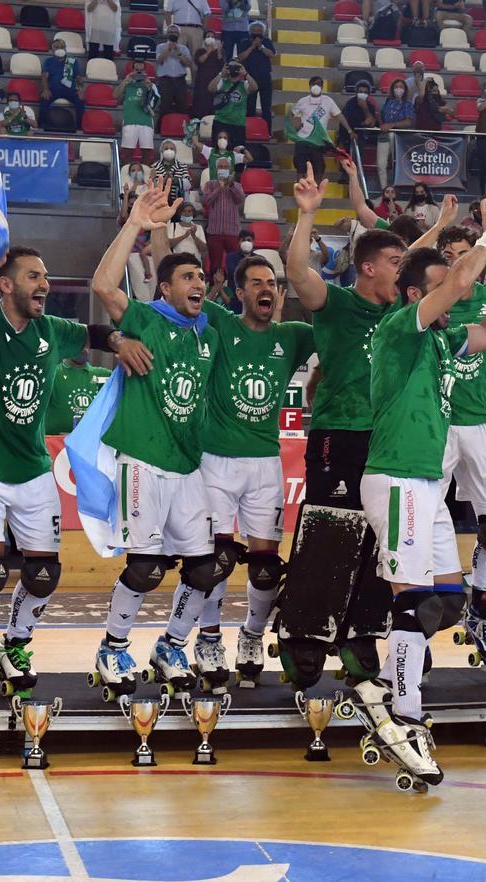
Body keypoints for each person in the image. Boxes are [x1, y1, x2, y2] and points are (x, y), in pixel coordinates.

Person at [355, 206, 486, 786]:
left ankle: (383, 683)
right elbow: (459, 283)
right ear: (412, 295)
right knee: (408, 598)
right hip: (398, 475)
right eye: (437, 291)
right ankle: (404, 715)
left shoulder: (447, 338)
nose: (451, 300)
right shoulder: (401, 330)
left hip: (426, 481)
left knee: (442, 602)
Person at [0, 242, 148, 705]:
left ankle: (14, 644)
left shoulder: (50, 330)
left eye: (46, 276)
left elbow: (93, 333)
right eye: (34, 276)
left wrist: (118, 341)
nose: (45, 284)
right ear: (7, 284)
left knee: (43, 572)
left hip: (32, 463)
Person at [82, 182, 222, 696]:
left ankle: (171, 644)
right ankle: (113, 647)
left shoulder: (208, 332)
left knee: (205, 569)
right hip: (141, 461)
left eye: (202, 276)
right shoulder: (146, 319)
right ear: (164, 289)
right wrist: (138, 223)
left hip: (188, 467)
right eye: (187, 277)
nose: (198, 283)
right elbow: (102, 285)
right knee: (145, 567)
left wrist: (165, 230)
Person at [152, 251, 315, 689]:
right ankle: (207, 641)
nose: (267, 289)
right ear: (240, 293)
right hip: (216, 461)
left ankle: (252, 636)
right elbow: (175, 295)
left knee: (265, 566)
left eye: (273, 283)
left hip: (264, 462)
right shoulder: (222, 324)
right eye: (257, 283)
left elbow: (342, 339)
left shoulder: (295, 335)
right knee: (215, 561)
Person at [280, 163, 409, 687]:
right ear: (369, 269)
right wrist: (307, 216)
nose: (404, 272)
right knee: (329, 532)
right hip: (338, 433)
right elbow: (296, 274)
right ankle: (305, 637)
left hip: (388, 441)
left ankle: (361, 634)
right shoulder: (335, 305)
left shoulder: (403, 316)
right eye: (396, 263)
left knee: (381, 539)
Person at [287, 76, 350, 183]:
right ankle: (300, 192)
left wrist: (349, 130)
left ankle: (316, 193)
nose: (316, 86)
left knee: (319, 168)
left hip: (318, 141)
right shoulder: (303, 101)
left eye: (319, 84)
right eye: (314, 84)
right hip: (303, 139)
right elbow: (290, 114)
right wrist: (295, 126)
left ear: (322, 87)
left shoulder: (328, 101)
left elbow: (339, 116)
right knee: (300, 168)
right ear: (310, 86)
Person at [44, 350, 112, 435]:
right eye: (80, 343)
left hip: (88, 442)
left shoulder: (100, 375)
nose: (84, 348)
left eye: (86, 344)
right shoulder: (53, 372)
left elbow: (126, 381)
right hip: (55, 444)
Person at [202, 155, 245, 276]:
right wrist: (219, 188)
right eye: (220, 167)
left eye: (226, 167)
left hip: (233, 232)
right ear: (216, 169)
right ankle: (213, 292)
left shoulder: (237, 185)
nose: (223, 169)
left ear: (230, 169)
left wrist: (230, 186)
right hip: (215, 231)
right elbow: (207, 201)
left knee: (235, 266)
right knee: (215, 266)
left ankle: (234, 291)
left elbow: (240, 199)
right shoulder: (209, 185)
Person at [117, 58, 159, 163]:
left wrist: (149, 88)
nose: (139, 72)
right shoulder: (127, 84)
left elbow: (156, 104)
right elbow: (115, 96)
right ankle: (126, 176)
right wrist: (125, 81)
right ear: (132, 71)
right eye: (136, 70)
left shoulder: (151, 85)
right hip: (130, 120)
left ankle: (145, 177)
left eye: (141, 70)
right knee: (127, 154)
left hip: (146, 122)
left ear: (145, 71)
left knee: (147, 155)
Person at [377, 78, 416, 188]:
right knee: (381, 164)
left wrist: (392, 125)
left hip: (399, 138)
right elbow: (381, 116)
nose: (398, 89)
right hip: (384, 135)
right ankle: (384, 189)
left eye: (401, 87)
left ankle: (395, 189)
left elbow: (408, 122)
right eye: (396, 87)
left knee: (397, 163)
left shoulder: (407, 104)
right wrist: (382, 124)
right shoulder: (387, 102)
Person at [209, 60, 256, 149]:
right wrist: (221, 74)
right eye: (231, 67)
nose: (234, 69)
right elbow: (210, 89)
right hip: (221, 123)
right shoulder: (222, 82)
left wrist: (245, 74)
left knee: (238, 154)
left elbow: (255, 88)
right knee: (219, 152)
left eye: (236, 67)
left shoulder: (244, 85)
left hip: (238, 124)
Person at [40, 39, 85, 126]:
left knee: (80, 101)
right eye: (57, 47)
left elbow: (79, 78)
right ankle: (41, 126)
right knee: (44, 100)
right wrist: (46, 89)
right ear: (52, 50)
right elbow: (44, 77)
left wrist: (80, 90)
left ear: (65, 49)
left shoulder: (72, 61)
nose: (60, 49)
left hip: (70, 91)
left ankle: (80, 127)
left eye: (62, 47)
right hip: (53, 90)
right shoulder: (48, 61)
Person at [239, 20, 274, 127]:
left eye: (259, 32)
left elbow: (271, 54)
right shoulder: (245, 42)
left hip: (265, 78)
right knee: (249, 106)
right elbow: (241, 57)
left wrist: (260, 47)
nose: (257, 34)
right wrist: (252, 47)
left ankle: (267, 130)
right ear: (250, 32)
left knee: (266, 107)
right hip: (250, 78)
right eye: (254, 32)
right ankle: (249, 128)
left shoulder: (267, 42)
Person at [155, 26, 193, 122]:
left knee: (182, 106)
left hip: (180, 81)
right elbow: (159, 60)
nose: (173, 34)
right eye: (171, 32)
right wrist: (168, 49)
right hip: (165, 81)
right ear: (167, 34)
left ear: (179, 35)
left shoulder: (184, 48)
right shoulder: (160, 47)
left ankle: (183, 130)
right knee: (164, 107)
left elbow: (188, 63)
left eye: (175, 32)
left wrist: (178, 53)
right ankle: (160, 130)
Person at [166, 202, 210, 267]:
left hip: (195, 263)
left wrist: (194, 236)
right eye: (184, 211)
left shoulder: (198, 227)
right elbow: (169, 244)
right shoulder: (173, 226)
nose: (187, 214)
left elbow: (203, 249)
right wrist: (184, 236)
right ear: (180, 213)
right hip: (178, 264)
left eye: (189, 211)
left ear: (193, 213)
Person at [341, 82, 378, 155]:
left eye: (365, 92)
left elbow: (371, 123)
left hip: (361, 135)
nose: (362, 94)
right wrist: (363, 123)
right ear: (356, 92)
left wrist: (365, 107)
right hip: (347, 133)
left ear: (368, 94)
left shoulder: (370, 105)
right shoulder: (350, 103)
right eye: (360, 92)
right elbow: (347, 120)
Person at [151, 139, 192, 205]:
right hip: (160, 203)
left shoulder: (182, 166)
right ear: (161, 151)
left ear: (175, 151)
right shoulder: (155, 166)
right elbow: (152, 188)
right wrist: (163, 181)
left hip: (178, 203)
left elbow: (188, 184)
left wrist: (173, 180)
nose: (169, 151)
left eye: (172, 149)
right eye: (166, 148)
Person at [191, 34, 223, 119]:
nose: (210, 38)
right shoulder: (200, 51)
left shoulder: (219, 51)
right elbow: (199, 61)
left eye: (212, 37)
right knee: (200, 103)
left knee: (213, 104)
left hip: (215, 82)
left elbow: (222, 64)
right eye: (208, 36)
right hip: (202, 81)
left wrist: (218, 51)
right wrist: (208, 51)